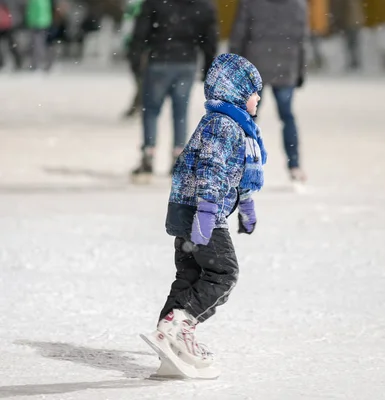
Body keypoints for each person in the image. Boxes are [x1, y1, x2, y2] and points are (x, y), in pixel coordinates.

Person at [143, 53, 266, 372]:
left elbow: (235, 173)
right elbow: (211, 170)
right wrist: (208, 214)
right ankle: (179, 325)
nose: (258, 98)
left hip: (189, 211)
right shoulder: (224, 125)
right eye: (254, 91)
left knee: (189, 276)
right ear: (236, 91)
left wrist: (247, 205)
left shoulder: (232, 125)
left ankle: (166, 334)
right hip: (202, 213)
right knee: (224, 273)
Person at [128, 0, 218, 183]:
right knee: (180, 112)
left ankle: (148, 154)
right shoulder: (202, 5)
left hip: (159, 59)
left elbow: (140, 32)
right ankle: (178, 155)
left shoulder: (155, 2)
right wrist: (209, 64)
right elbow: (209, 37)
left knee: (151, 110)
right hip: (186, 61)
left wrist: (136, 58)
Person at [229, 0, 308, 187]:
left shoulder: (250, 3)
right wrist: (301, 70)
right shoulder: (297, 5)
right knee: (287, 116)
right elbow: (302, 39)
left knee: (248, 118)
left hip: (256, 67)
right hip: (286, 67)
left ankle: (242, 163)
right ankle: (294, 165)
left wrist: (234, 66)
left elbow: (238, 35)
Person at [26, 0, 53, 71]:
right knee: (41, 44)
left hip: (37, 24)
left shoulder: (35, 1)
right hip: (44, 24)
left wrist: (30, 22)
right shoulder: (45, 1)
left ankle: (38, 64)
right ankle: (43, 63)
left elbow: (32, 12)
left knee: (37, 45)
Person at [0, 0, 23, 70]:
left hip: (7, 26)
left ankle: (18, 62)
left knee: (12, 45)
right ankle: (3, 63)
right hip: (6, 25)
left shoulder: (7, 4)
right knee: (11, 45)